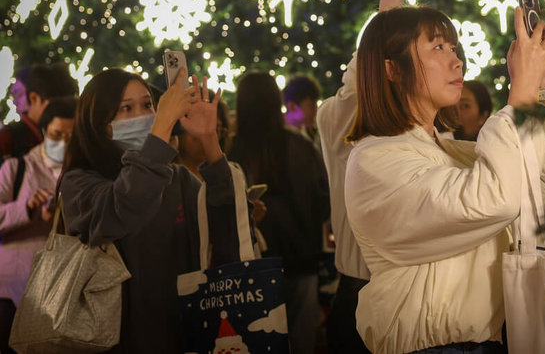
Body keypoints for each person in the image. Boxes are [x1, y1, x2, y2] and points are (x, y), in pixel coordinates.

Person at [344, 2, 545, 353]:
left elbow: (542, 180)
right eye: (438, 47)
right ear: (392, 70)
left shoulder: (452, 152)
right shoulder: (374, 161)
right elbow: (493, 199)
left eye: (454, 48)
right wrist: (520, 94)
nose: (457, 61)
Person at [59, 67, 235, 354]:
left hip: (183, 332)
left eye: (148, 105)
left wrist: (209, 140)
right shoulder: (79, 183)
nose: (142, 116)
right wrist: (162, 126)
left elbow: (226, 226)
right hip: (114, 338)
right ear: (96, 123)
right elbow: (125, 207)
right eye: (126, 108)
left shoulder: (176, 178)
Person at [317, 0, 417, 354]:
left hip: (411, 293)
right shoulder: (338, 118)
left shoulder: (416, 125)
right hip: (361, 289)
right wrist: (385, 21)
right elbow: (354, 91)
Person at [228, 71, 330, 354]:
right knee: (301, 342)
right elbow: (323, 201)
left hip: (251, 267)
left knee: (257, 343)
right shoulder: (301, 147)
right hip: (302, 260)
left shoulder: (231, 151)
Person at [0, 95, 77, 354]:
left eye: (71, 136)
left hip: (60, 291)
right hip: (12, 291)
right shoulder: (16, 168)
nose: (63, 142)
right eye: (57, 134)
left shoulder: (82, 174)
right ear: (44, 130)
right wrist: (27, 208)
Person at [0, 63, 77, 159]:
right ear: (34, 98)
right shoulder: (8, 138)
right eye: (54, 105)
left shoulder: (76, 136)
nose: (60, 111)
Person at [283, 74, 322, 148]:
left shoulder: (309, 135)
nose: (316, 112)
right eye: (311, 106)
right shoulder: (280, 138)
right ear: (292, 107)